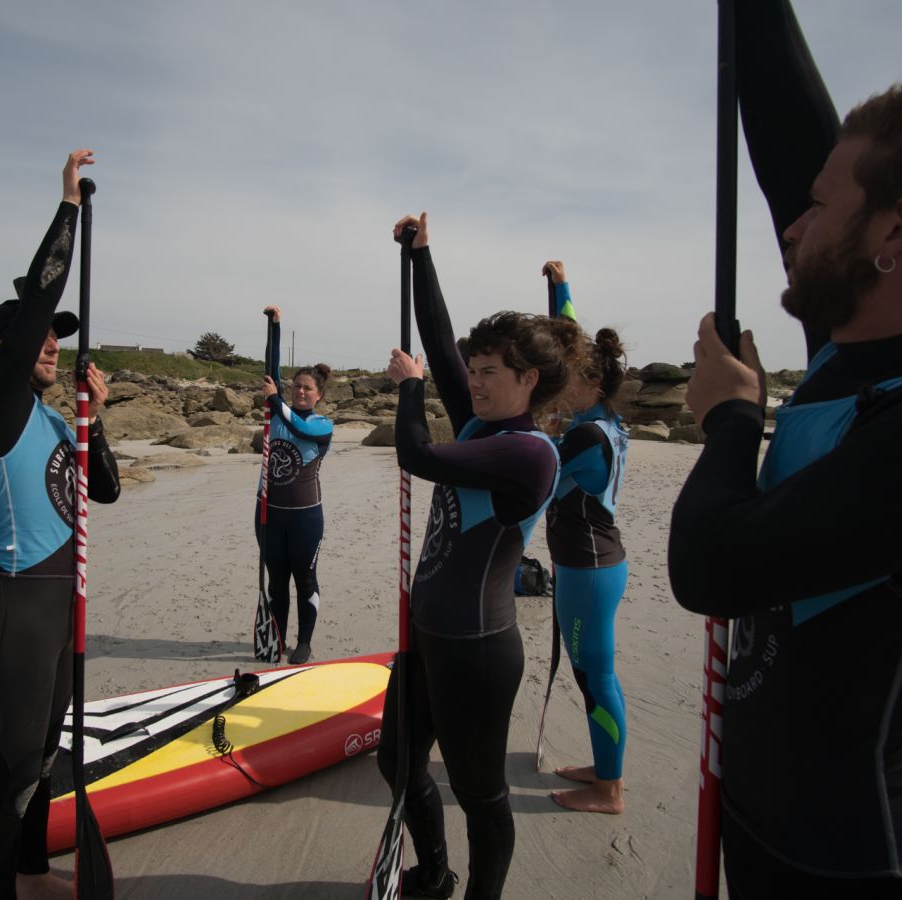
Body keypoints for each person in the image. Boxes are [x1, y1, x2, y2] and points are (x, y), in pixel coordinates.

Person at [668, 22, 902, 895]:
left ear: (898, 229)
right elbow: (788, 132)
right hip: (754, 833)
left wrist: (733, 416)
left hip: (866, 867)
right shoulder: (850, 348)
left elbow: (714, 566)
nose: (792, 227)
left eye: (822, 207)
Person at [378, 212, 582, 899]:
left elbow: (415, 454)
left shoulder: (525, 453)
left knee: (480, 794)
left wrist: (410, 389)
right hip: (427, 631)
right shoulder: (481, 420)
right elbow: (440, 342)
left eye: (488, 372)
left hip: (476, 649)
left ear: (527, 379)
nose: (474, 380)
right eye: (473, 371)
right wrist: (422, 258)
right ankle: (433, 876)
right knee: (398, 764)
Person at [0, 149, 122, 900]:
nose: (53, 343)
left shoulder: (55, 418)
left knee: (48, 755)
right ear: (3, 350)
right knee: (15, 767)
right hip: (18, 608)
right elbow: (35, 311)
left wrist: (99, 418)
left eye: (60, 336)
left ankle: (31, 870)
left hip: (61, 610)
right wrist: (69, 209)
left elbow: (107, 491)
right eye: (40, 336)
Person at [538, 261, 631, 815]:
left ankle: (608, 790)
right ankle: (605, 769)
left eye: (567, 378)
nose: (557, 382)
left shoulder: (588, 435)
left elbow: (538, 475)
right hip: (594, 563)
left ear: (592, 386)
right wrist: (561, 291)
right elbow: (568, 340)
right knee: (593, 674)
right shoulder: (604, 420)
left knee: (595, 678)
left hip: (588, 569)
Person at [257, 305, 334, 665]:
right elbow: (271, 375)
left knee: (304, 579)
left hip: (305, 518)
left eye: (307, 388)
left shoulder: (321, 424)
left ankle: (303, 643)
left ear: (318, 394)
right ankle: (276, 639)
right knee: (276, 583)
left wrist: (276, 399)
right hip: (271, 515)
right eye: (296, 387)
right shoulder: (278, 413)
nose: (299, 391)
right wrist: (275, 327)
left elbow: (300, 428)